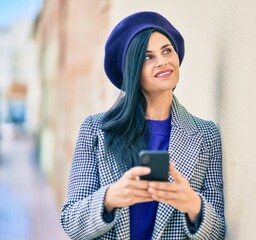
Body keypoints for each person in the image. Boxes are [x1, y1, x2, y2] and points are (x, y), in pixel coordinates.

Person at [60, 11, 226, 239]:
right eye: (148, 57)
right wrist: (110, 198)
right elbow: (71, 222)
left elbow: (217, 232)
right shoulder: (96, 129)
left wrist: (193, 205)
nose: (163, 61)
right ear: (132, 70)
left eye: (167, 50)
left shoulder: (207, 135)